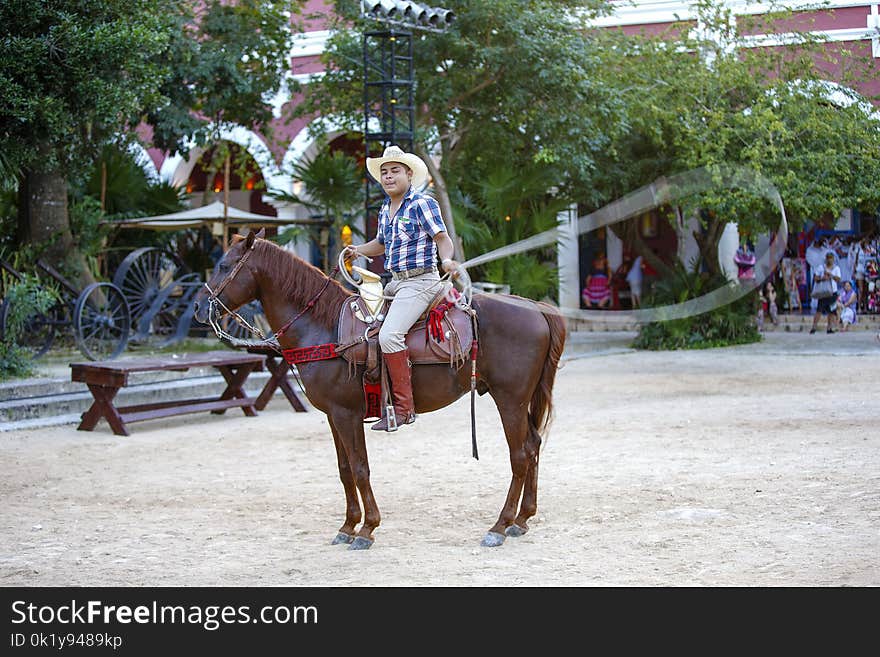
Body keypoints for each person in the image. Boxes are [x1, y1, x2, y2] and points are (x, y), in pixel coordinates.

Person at [343, 145, 459, 432]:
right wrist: (357, 250)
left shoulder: (422, 203)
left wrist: (447, 259)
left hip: (421, 281)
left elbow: (442, 237)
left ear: (409, 174)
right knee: (366, 332)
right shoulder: (386, 209)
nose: (388, 176)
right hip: (394, 283)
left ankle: (404, 409)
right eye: (384, 172)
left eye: (395, 171)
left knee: (390, 335)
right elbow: (381, 243)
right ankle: (377, 400)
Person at [809, 251, 841, 334]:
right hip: (823, 292)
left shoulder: (836, 268)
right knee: (819, 310)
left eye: (831, 258)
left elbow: (838, 279)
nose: (830, 260)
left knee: (831, 311)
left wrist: (831, 276)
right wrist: (822, 278)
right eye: (828, 258)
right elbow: (815, 278)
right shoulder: (821, 268)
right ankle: (814, 327)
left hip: (832, 292)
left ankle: (829, 328)